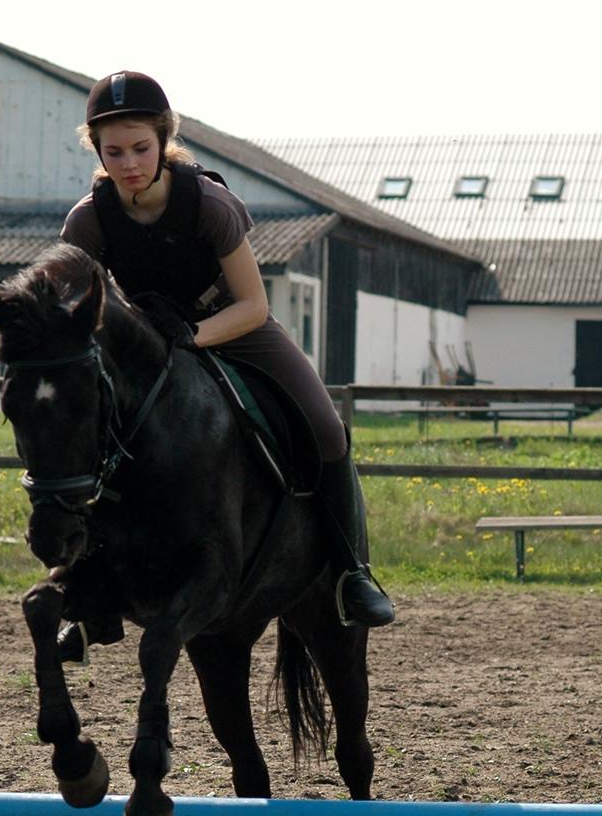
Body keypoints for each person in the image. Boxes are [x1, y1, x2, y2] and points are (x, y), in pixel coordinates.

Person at [56, 70, 394, 658]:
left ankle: (350, 573)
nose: (129, 163)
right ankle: (87, 593)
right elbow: (68, 311)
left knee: (325, 429)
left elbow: (253, 304)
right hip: (153, 349)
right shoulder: (88, 220)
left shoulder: (208, 205)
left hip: (233, 328)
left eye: (140, 148)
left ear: (164, 140)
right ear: (97, 150)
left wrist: (191, 337)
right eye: (114, 152)